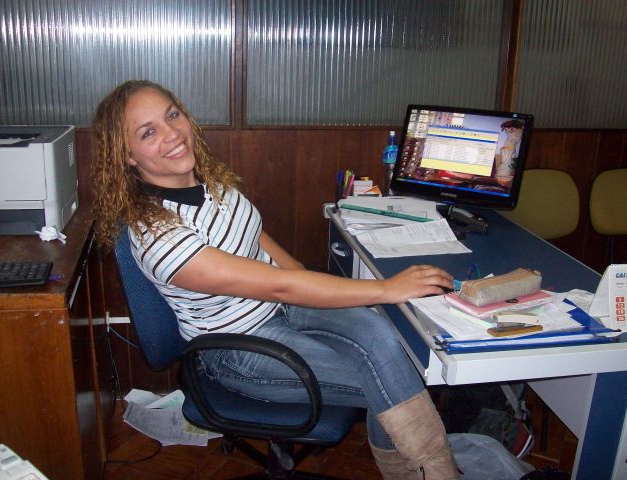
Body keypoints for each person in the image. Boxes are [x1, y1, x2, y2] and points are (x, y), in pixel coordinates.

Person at [91, 79, 460, 480]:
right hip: (238, 351)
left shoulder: (209, 181)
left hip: (282, 308)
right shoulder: (159, 237)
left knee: (379, 333)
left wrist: (325, 290)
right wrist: (386, 289)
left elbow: (266, 249)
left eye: (172, 115)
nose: (172, 134)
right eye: (148, 132)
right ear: (127, 156)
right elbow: (277, 284)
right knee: (391, 381)